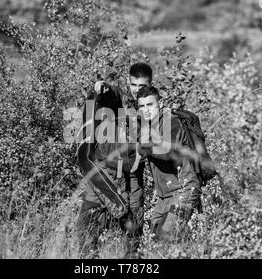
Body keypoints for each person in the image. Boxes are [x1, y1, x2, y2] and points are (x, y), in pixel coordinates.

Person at [76, 63, 153, 259]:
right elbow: (109, 93)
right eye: (133, 85)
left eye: (142, 85)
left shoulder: (150, 104)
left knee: (133, 232)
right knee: (87, 227)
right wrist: (103, 86)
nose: (137, 90)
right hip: (105, 172)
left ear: (150, 83)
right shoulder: (119, 97)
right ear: (128, 81)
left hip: (132, 176)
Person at [136, 86, 203, 241]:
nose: (146, 110)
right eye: (141, 106)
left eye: (149, 105)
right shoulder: (150, 126)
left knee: (165, 236)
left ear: (160, 103)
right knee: (155, 238)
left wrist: (143, 147)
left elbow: (166, 152)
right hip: (164, 195)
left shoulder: (172, 122)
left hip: (184, 190)